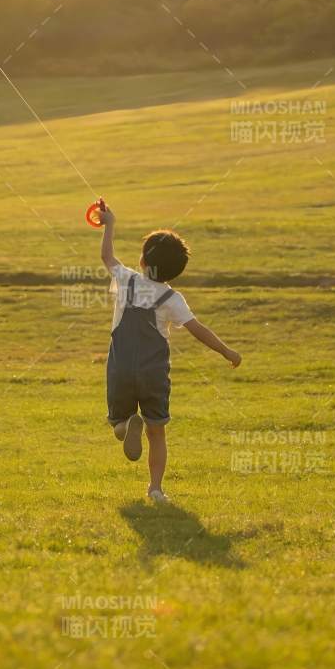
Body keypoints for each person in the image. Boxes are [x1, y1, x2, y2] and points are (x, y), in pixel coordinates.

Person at [98, 202, 241, 504]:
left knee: (118, 421)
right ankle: (156, 489)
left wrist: (109, 223)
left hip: (121, 367)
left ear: (143, 261)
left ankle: (124, 424)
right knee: (157, 432)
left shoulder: (127, 280)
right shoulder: (172, 298)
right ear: (176, 271)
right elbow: (198, 329)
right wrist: (226, 351)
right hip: (153, 374)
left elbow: (106, 256)